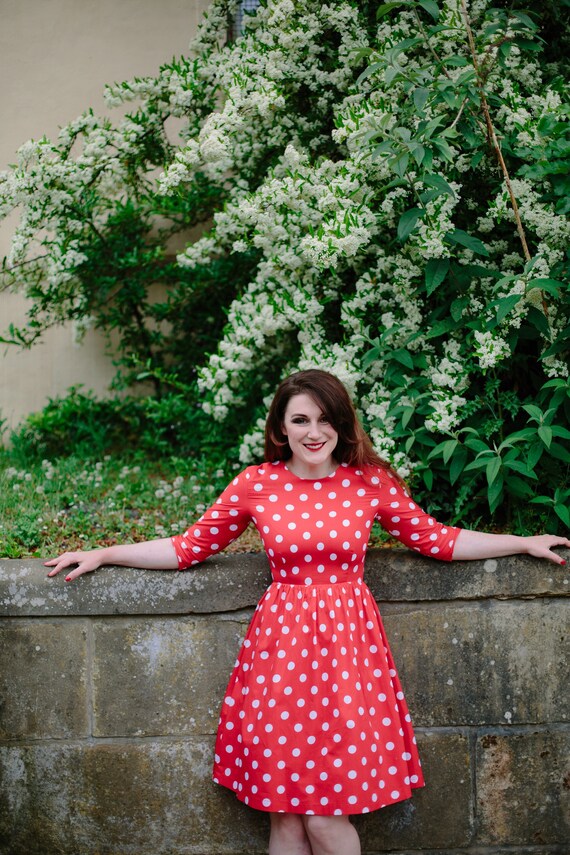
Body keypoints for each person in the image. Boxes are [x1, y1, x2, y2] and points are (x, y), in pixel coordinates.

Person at [45, 369, 568, 855]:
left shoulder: (369, 483)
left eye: (325, 420)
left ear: (341, 426)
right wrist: (106, 553)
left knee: (324, 815)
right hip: (280, 656)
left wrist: (520, 542)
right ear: (281, 427)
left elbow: (436, 539)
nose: (314, 432)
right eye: (300, 419)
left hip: (348, 656)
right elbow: (188, 548)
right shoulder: (257, 484)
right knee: (285, 816)